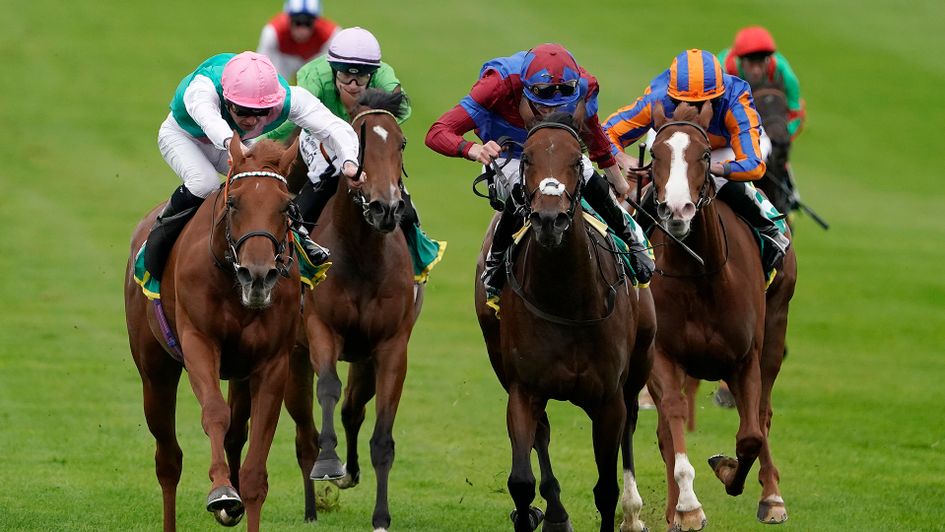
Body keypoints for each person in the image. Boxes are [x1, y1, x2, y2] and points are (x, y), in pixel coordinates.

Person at [425, 43, 655, 302]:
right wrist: (472, 149)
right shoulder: (497, 85)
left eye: (560, 106)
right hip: (510, 154)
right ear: (524, 89)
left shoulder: (583, 85)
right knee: (520, 185)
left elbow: (595, 137)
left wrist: (619, 183)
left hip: (560, 152)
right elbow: (437, 132)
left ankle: (633, 243)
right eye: (542, 105)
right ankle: (496, 262)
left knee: (590, 177)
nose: (551, 113)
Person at [145, 51, 360, 283]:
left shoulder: (289, 98)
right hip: (184, 136)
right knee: (203, 182)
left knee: (266, 185)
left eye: (261, 113)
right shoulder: (202, 88)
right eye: (242, 111)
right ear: (226, 100)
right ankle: (159, 238)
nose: (251, 120)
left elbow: (334, 127)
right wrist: (233, 144)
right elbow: (209, 120)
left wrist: (349, 161)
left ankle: (300, 238)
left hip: (238, 142)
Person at [266, 27, 443, 284]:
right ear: (333, 69)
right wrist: (256, 145)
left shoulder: (385, 78)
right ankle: (294, 243)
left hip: (364, 133)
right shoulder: (313, 78)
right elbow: (289, 118)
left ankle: (416, 250)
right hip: (321, 133)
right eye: (346, 76)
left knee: (394, 189)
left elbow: (400, 111)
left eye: (361, 77)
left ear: (372, 74)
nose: (353, 84)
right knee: (325, 175)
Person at [604, 49, 791, 283]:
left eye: (704, 104)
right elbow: (605, 132)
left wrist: (713, 168)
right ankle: (627, 245)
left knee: (727, 181)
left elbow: (754, 165)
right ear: (672, 97)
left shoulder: (735, 99)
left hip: (722, 151)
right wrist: (623, 159)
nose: (693, 110)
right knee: (644, 189)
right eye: (683, 103)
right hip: (674, 143)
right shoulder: (657, 99)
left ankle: (770, 230)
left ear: (719, 97)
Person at [719, 26, 805, 140]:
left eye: (761, 63)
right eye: (751, 64)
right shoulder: (724, 71)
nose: (756, 71)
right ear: (741, 62)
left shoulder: (784, 73)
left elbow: (796, 112)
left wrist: (782, 139)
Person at [256, 0, 340, 81]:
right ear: (289, 20)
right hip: (284, 59)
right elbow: (261, 66)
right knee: (274, 83)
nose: (302, 30)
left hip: (313, 58)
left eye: (308, 23)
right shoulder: (273, 32)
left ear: (316, 22)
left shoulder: (331, 35)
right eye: (297, 22)